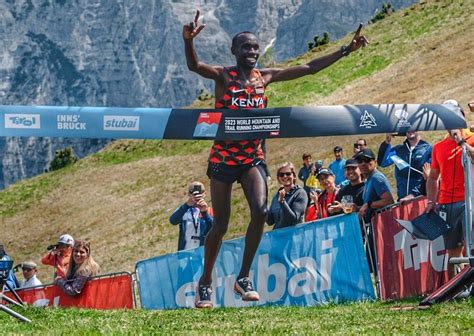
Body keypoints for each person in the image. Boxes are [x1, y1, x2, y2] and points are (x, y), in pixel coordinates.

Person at [183, 9, 368, 308]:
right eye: (246, 47)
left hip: (252, 158)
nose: (253, 52)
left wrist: (346, 49)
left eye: (256, 47)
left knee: (259, 211)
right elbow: (195, 66)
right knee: (221, 224)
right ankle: (205, 281)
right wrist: (188, 41)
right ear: (234, 51)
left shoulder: (263, 77)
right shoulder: (223, 75)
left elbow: (309, 67)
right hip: (223, 160)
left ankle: (243, 277)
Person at [426, 111, 474, 279]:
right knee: (453, 250)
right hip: (448, 203)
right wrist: (431, 201)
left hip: (471, 200)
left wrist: (461, 142)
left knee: (471, 247)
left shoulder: (472, 137)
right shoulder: (438, 147)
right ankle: (454, 288)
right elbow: (432, 178)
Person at [377, 131, 431, 201]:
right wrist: (387, 142)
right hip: (402, 201)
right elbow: (382, 163)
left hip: (421, 199)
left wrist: (413, 195)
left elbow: (432, 177)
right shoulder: (398, 150)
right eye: (407, 127)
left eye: (413, 126)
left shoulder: (428, 150)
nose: (410, 129)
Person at [169, 181, 213, 251]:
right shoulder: (183, 210)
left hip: (203, 255)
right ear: (189, 194)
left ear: (205, 194)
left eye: (200, 191)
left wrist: (204, 213)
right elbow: (172, 221)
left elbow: (213, 229)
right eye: (192, 192)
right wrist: (186, 205)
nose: (196, 194)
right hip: (185, 255)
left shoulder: (210, 211)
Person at [356, 149, 394, 222]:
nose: (363, 163)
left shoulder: (377, 178)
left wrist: (368, 204)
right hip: (375, 225)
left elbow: (388, 201)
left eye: (367, 160)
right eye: (360, 161)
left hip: (384, 224)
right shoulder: (368, 180)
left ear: (375, 162)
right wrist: (357, 208)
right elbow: (370, 205)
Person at [267, 163, 308, 230]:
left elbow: (294, 219)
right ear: (278, 178)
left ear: (294, 176)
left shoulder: (300, 193)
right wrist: (262, 207)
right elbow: (270, 221)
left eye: (288, 173)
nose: (285, 176)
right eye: (281, 174)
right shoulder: (276, 196)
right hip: (278, 238)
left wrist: (282, 202)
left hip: (294, 237)